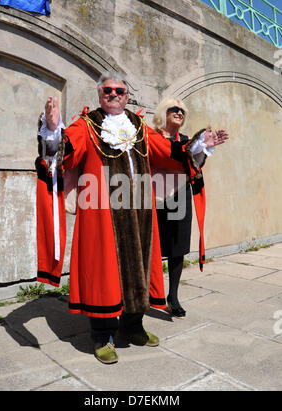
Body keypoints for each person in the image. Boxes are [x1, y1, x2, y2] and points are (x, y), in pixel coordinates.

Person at [35, 72, 226, 364]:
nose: (114, 94)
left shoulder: (138, 125)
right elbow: (66, 154)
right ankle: (103, 336)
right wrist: (52, 128)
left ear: (126, 96)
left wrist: (200, 144)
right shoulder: (87, 125)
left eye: (119, 91)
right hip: (101, 213)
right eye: (108, 90)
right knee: (104, 273)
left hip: (139, 212)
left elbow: (167, 151)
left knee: (139, 267)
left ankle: (133, 326)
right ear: (100, 95)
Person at [152, 96, 229, 318]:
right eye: (174, 109)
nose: (179, 113)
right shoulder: (152, 138)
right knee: (152, 248)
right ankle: (150, 293)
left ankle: (173, 297)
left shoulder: (186, 140)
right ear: (163, 113)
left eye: (182, 111)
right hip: (154, 198)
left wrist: (204, 148)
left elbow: (193, 164)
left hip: (180, 197)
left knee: (178, 249)